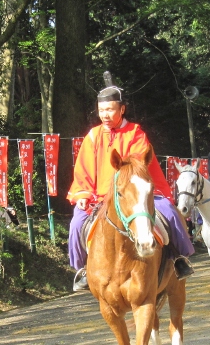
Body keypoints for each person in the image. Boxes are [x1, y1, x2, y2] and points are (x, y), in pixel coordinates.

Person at [68, 83, 195, 292]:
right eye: (101, 111)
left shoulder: (135, 133)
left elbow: (137, 165)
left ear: (122, 109)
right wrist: (82, 193)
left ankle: (179, 259)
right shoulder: (93, 136)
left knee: (170, 214)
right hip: (99, 197)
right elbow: (83, 169)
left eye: (109, 110)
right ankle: (82, 269)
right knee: (75, 224)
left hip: (137, 193)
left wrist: (126, 189)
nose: (105, 115)